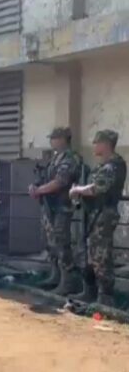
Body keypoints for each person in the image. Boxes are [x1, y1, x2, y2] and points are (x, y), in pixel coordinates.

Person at [69, 130, 127, 306]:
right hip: (92, 213)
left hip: (103, 215)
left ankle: (105, 297)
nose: (94, 146)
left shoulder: (114, 165)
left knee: (101, 255)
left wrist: (78, 190)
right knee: (89, 255)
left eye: (97, 142)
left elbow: (98, 187)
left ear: (106, 144)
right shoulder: (101, 165)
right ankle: (89, 291)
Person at [28, 127, 84, 294]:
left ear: (63, 139)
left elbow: (60, 182)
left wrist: (39, 190)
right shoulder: (54, 158)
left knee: (62, 243)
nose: (51, 141)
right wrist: (35, 186)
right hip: (49, 205)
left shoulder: (71, 158)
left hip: (62, 206)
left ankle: (68, 282)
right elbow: (46, 178)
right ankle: (55, 275)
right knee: (50, 242)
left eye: (54, 138)